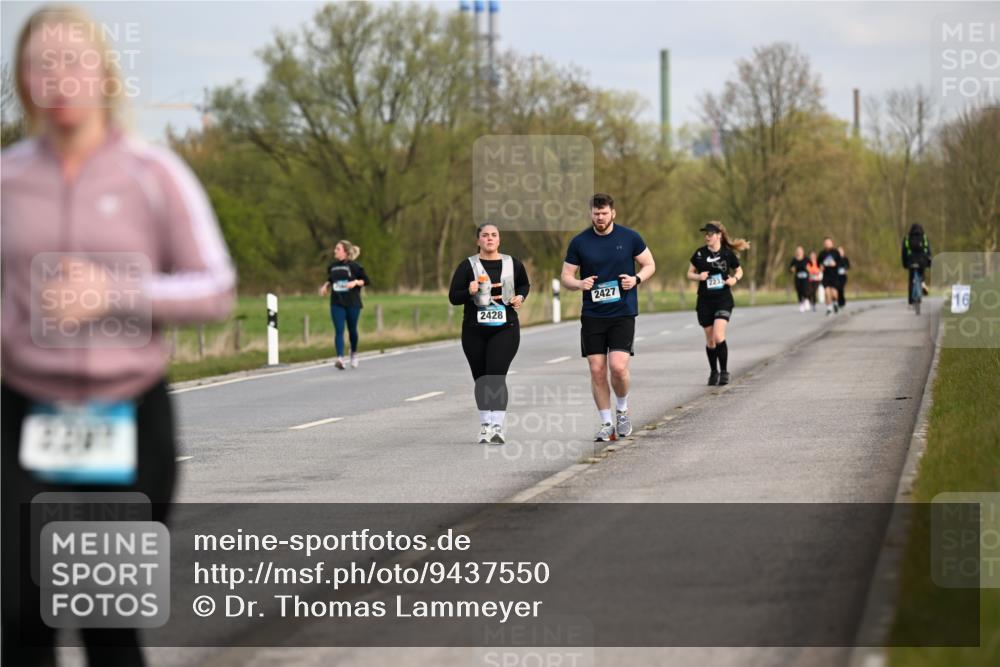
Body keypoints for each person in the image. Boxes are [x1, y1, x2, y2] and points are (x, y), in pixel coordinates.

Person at [2, 6, 236, 665]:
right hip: (21, 416)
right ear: (22, 81)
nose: (59, 77)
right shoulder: (8, 180)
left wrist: (116, 293)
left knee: (105, 623)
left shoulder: (153, 175)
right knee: (19, 621)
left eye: (74, 61)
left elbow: (215, 288)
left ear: (104, 75)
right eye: (42, 63)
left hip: (126, 418)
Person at [561, 193, 656, 442]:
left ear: (613, 213)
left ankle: (622, 410)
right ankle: (606, 424)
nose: (600, 218)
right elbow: (566, 276)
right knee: (597, 370)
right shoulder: (579, 242)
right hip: (593, 314)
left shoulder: (630, 237)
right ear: (590, 214)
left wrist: (636, 279)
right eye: (596, 214)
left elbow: (649, 264)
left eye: (604, 213)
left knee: (618, 367)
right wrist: (579, 283)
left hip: (622, 312)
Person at [449, 224, 530, 444]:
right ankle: (485, 425)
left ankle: (497, 426)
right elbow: (453, 297)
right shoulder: (467, 266)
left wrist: (520, 297)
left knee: (495, 375)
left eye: (494, 235)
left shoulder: (512, 263)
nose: (490, 239)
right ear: (478, 241)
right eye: (485, 235)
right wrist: (469, 291)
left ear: (499, 239)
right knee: (481, 379)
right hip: (474, 330)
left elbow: (524, 284)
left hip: (505, 328)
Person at [687, 222, 749, 386]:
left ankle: (724, 372)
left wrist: (734, 279)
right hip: (705, 301)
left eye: (710, 234)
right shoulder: (700, 253)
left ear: (719, 235)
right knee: (710, 340)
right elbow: (689, 273)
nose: (707, 237)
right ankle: (714, 371)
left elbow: (739, 270)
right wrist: (699, 277)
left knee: (718, 335)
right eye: (705, 234)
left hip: (723, 299)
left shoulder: (727, 254)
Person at [319, 240, 370, 369]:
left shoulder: (355, 267)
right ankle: (340, 358)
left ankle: (354, 353)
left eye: (338, 249)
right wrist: (325, 286)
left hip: (352, 302)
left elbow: (366, 281)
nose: (335, 251)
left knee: (352, 330)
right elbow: (331, 279)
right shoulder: (332, 266)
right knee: (339, 330)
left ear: (345, 252)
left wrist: (355, 283)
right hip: (337, 302)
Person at [901, 223, 932, 305]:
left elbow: (904, 252)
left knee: (911, 280)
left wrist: (904, 264)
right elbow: (928, 251)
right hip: (922, 261)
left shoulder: (907, 238)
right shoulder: (924, 238)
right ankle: (923, 284)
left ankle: (911, 300)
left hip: (911, 261)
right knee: (921, 275)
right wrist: (929, 263)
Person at [817, 237, 843, 315]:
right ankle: (829, 308)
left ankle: (835, 303)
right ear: (824, 244)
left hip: (834, 275)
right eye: (826, 243)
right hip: (826, 276)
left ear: (832, 243)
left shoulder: (836, 252)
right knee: (827, 292)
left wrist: (835, 264)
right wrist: (820, 267)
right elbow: (818, 263)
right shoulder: (822, 253)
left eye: (829, 243)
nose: (827, 244)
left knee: (834, 294)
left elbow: (840, 262)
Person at [789, 246, 810, 312]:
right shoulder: (794, 260)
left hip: (805, 277)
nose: (799, 252)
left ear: (803, 252)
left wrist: (808, 268)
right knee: (799, 290)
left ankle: (806, 300)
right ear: (796, 252)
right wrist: (792, 269)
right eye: (798, 251)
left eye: (800, 251)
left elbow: (811, 265)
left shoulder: (806, 259)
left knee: (805, 290)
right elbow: (790, 268)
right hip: (798, 277)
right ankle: (801, 304)